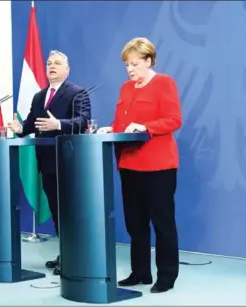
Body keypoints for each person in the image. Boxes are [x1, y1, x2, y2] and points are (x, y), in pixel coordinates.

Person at [97, 37, 182, 293]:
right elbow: (122, 123)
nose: (130, 69)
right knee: (135, 223)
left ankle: (166, 276)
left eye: (134, 64)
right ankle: (140, 272)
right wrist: (110, 129)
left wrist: (147, 127)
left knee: (162, 223)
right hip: (130, 165)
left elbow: (174, 119)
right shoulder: (126, 88)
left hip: (158, 166)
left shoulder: (164, 83)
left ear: (148, 61)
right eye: (126, 65)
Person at [8, 50, 91, 275]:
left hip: (68, 161)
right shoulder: (38, 96)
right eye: (48, 63)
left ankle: (75, 255)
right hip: (46, 161)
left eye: (57, 63)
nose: (51, 67)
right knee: (56, 209)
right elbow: (31, 126)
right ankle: (65, 252)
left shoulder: (77, 93)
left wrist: (59, 125)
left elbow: (82, 122)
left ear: (67, 69)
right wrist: (19, 129)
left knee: (69, 210)